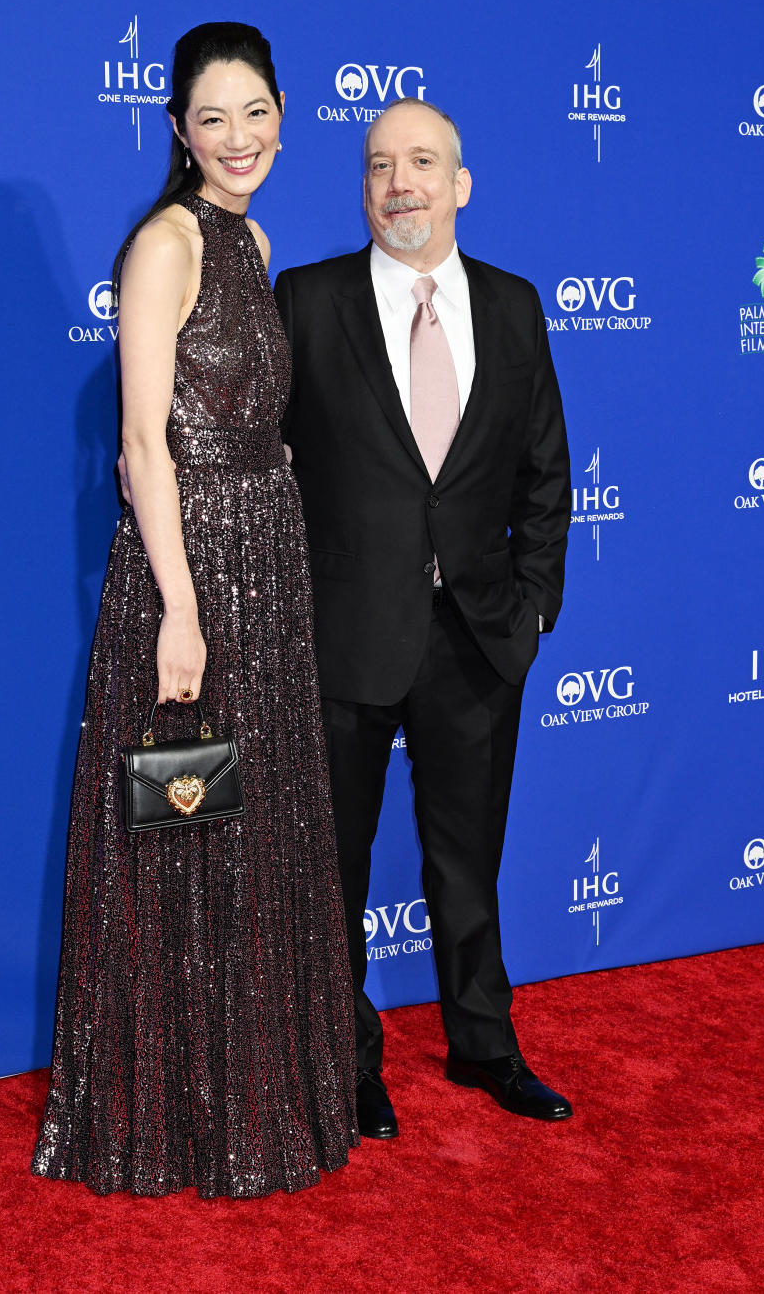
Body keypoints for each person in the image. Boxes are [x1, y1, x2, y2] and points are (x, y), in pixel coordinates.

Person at [32, 22, 357, 1198]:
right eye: (211, 118)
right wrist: (180, 607)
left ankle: (256, 1093)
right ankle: (178, 1113)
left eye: (255, 112)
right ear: (177, 130)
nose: (237, 138)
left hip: (269, 560)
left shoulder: (255, 238)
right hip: (191, 574)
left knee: (250, 837)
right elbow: (140, 444)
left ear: (284, 114)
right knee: (182, 831)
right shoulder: (163, 245)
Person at [273, 98, 572, 1139]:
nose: (399, 182)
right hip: (344, 633)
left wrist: (532, 610)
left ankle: (485, 1045)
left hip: (480, 636)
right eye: (378, 165)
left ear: (461, 182)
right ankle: (348, 1065)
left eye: (422, 162)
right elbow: (264, 467)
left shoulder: (516, 304)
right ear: (362, 185)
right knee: (335, 869)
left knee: (466, 863)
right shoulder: (306, 301)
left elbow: (545, 473)